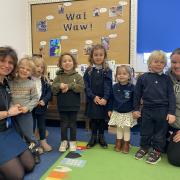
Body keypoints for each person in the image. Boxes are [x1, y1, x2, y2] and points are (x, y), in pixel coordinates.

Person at [133, 50, 176, 164]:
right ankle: (144, 148)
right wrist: (136, 109)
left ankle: (157, 151)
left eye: (162, 62)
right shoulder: (143, 78)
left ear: (165, 65)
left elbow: (171, 96)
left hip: (162, 111)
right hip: (147, 110)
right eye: (156, 61)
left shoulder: (167, 79)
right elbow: (137, 95)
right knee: (145, 130)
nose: (159, 64)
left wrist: (171, 112)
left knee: (160, 133)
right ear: (149, 63)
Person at [0, 46, 35, 179]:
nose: (6, 65)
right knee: (17, 175)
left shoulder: (6, 83)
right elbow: (8, 111)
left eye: (10, 62)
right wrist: (9, 113)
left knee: (30, 164)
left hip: (8, 130)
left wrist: (16, 106)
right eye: (2, 61)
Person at [52, 52, 84, 152]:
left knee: (73, 124)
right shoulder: (58, 77)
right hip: (62, 105)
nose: (67, 63)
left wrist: (69, 86)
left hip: (74, 105)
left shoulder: (78, 76)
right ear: (61, 64)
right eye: (64, 61)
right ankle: (64, 141)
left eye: (69, 60)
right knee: (64, 124)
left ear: (73, 63)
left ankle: (73, 141)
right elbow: (53, 89)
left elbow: (81, 88)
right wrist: (59, 86)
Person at [83, 44, 112, 149]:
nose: (98, 57)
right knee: (94, 119)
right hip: (93, 100)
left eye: (101, 55)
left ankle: (101, 137)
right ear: (92, 57)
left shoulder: (107, 70)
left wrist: (105, 98)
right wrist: (93, 97)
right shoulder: (89, 71)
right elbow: (86, 86)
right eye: (96, 55)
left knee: (102, 119)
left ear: (104, 56)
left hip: (103, 100)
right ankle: (93, 137)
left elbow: (108, 85)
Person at [9, 57, 39, 143]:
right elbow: (8, 97)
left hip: (26, 114)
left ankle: (34, 150)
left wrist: (27, 107)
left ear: (31, 73)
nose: (24, 71)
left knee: (28, 134)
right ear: (17, 68)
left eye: (28, 70)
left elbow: (35, 99)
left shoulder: (31, 84)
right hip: (12, 114)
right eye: (22, 67)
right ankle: (20, 152)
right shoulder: (10, 82)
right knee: (16, 134)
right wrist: (11, 107)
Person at [108, 65, 136, 153]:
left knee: (126, 129)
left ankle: (126, 144)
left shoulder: (132, 87)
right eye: (119, 74)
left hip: (128, 113)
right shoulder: (114, 87)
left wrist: (135, 110)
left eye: (124, 74)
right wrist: (109, 110)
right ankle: (118, 142)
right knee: (119, 128)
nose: (121, 75)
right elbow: (111, 99)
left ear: (129, 76)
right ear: (116, 76)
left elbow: (135, 100)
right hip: (117, 112)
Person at [32, 56, 52, 152]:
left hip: (41, 107)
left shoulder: (45, 80)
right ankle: (32, 144)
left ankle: (43, 142)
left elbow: (49, 93)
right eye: (37, 66)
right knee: (31, 126)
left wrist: (44, 100)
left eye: (42, 67)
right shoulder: (27, 79)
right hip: (30, 109)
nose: (40, 68)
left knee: (42, 125)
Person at [166, 48, 180, 166]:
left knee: (176, 159)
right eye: (174, 62)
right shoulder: (166, 77)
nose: (177, 66)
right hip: (169, 124)